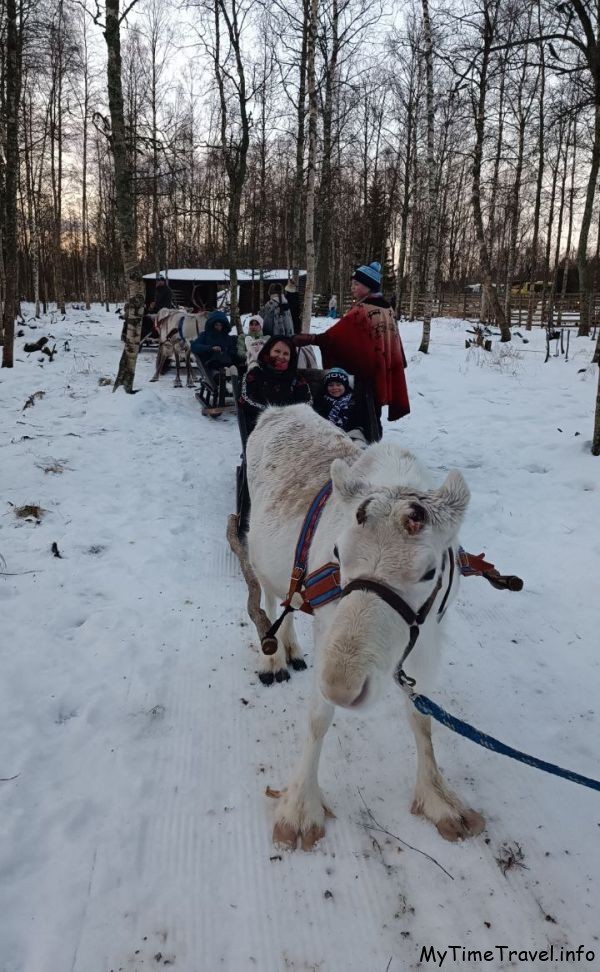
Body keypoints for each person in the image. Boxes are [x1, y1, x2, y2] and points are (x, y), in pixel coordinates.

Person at [295, 260, 409, 427]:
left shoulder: (362, 310)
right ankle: (373, 434)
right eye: (352, 284)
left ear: (368, 286)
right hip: (380, 367)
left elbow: (336, 337)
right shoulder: (388, 309)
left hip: (364, 372)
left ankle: (363, 437)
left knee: (361, 408)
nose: (352, 287)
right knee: (374, 409)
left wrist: (311, 339)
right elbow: (392, 343)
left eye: (357, 284)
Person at [239, 336, 312, 433]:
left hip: (292, 428)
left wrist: (289, 417)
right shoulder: (255, 374)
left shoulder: (296, 378)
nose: (281, 356)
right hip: (261, 428)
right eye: (277, 351)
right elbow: (247, 400)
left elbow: (306, 402)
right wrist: (276, 416)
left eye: (286, 353)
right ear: (269, 351)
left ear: (291, 357)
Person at [314, 367, 368, 442]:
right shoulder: (321, 401)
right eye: (331, 385)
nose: (334, 388)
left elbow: (361, 421)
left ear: (345, 386)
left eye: (338, 384)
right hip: (328, 436)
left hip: (351, 435)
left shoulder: (353, 401)